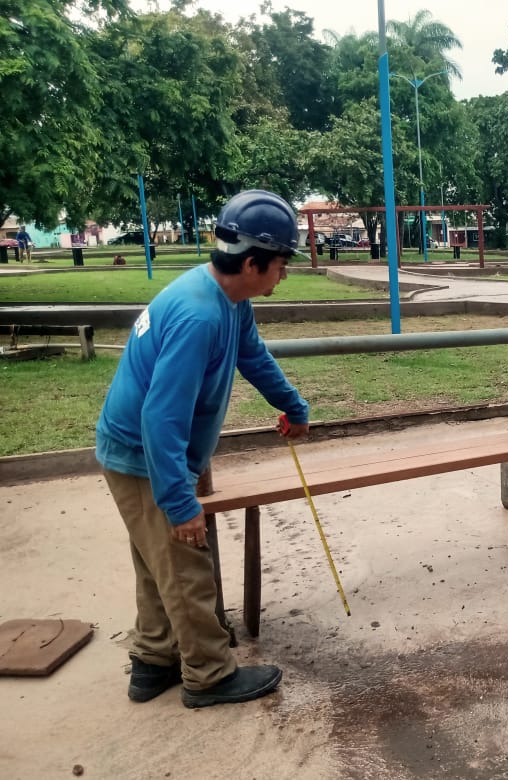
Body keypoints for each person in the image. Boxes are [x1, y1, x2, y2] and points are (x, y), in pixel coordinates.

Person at [96, 189, 310, 707]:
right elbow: (161, 417)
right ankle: (210, 675)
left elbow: (253, 358)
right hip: (143, 455)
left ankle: (153, 659)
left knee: (157, 564)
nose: (284, 274)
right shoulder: (199, 316)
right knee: (187, 565)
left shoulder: (227, 301)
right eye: (282, 264)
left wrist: (294, 406)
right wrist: (179, 502)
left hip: (143, 453)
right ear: (254, 262)